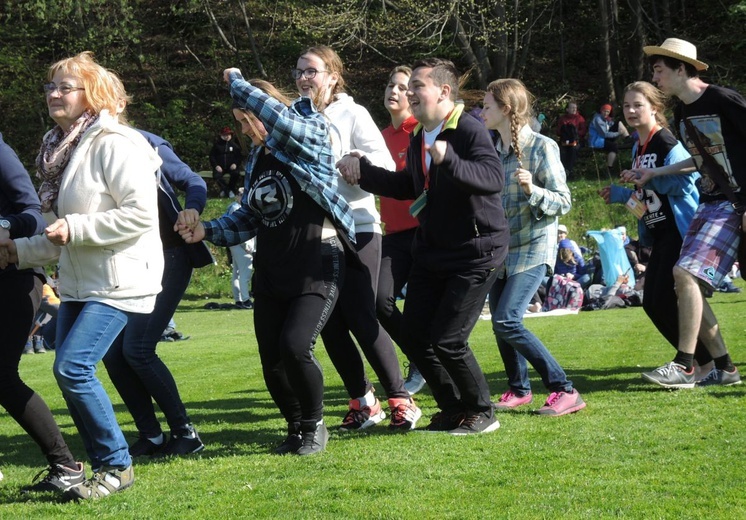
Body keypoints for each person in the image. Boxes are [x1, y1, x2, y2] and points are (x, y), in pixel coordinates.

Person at [0, 51, 164, 499]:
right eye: (51, 86)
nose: (54, 94)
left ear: (91, 94)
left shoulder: (114, 143)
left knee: (73, 367)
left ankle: (116, 468)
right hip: (78, 281)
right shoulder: (60, 149)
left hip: (119, 278)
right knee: (66, 369)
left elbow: (139, 216)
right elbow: (54, 232)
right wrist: (15, 251)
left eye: (64, 87)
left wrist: (76, 227)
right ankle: (91, 469)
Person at [177, 70, 355, 455]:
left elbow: (278, 118)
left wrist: (237, 83)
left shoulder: (310, 134)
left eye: (250, 118)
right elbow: (249, 217)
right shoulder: (258, 158)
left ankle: (315, 425)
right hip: (272, 268)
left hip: (316, 261)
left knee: (295, 346)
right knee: (272, 360)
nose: (249, 129)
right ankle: (295, 428)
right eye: (240, 123)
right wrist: (206, 230)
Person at [340, 58, 508, 434]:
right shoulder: (420, 136)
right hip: (433, 250)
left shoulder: (468, 128)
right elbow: (409, 186)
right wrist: (363, 171)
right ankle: (451, 409)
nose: (408, 93)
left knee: (448, 339)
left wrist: (450, 161)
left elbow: (492, 177)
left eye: (417, 86)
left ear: (443, 91)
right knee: (416, 336)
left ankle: (482, 412)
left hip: (476, 250)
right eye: (407, 87)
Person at [295, 46, 420, 431]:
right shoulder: (296, 117)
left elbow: (384, 167)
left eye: (311, 71)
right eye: (298, 71)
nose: (303, 77)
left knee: (363, 314)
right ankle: (363, 401)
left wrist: (355, 160)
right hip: (318, 231)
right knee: (328, 322)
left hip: (359, 226)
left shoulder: (353, 113)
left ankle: (402, 399)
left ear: (333, 76)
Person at [627, 37, 744, 387]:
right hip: (711, 203)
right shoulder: (683, 111)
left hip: (734, 202)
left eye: (659, 69)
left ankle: (686, 364)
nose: (655, 76)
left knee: (684, 275)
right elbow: (701, 159)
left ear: (681, 68)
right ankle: (723, 367)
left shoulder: (722, 99)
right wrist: (656, 173)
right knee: (684, 278)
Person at [102, 125, 213, 459]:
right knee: (112, 352)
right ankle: (150, 436)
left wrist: (191, 208)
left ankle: (185, 433)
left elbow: (194, 181)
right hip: (125, 261)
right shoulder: (81, 150)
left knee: (137, 348)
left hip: (169, 256)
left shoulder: (142, 141)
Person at [481, 78, 586, 416]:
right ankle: (519, 389)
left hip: (534, 247)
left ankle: (564, 388)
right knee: (500, 320)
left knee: (508, 320)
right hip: (502, 249)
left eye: (486, 106)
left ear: (506, 108)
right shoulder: (492, 152)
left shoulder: (542, 147)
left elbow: (564, 200)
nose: (480, 112)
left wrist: (533, 191)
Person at [599, 80, 712, 371]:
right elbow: (647, 193)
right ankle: (703, 362)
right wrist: (622, 193)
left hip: (678, 230)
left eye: (638, 105)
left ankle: (698, 362)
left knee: (657, 301)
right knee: (656, 302)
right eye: (627, 105)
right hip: (659, 232)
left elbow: (687, 183)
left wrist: (649, 176)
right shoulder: (639, 144)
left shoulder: (666, 141)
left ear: (654, 108)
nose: (631, 111)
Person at [0, 132, 85, 494]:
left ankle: (66, 465)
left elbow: (32, 214)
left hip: (13, 279)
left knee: (1, 377)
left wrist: (2, 227)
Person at [378, 65, 425, 395]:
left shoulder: (420, 131)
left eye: (402, 87)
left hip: (424, 233)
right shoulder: (379, 136)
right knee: (379, 301)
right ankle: (420, 358)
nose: (394, 91)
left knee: (424, 308)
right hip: (392, 235)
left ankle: (425, 366)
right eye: (390, 85)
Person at [225, 188, 255, 309]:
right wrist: (247, 245)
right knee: (245, 273)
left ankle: (238, 299)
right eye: (241, 194)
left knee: (237, 273)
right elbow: (241, 228)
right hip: (240, 243)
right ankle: (245, 300)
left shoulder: (232, 207)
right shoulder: (237, 208)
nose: (243, 196)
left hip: (233, 243)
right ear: (237, 196)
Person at [589, 103, 629, 175]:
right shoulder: (597, 119)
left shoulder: (606, 119)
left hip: (604, 139)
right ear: (601, 111)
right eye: (604, 111)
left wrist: (617, 129)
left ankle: (628, 138)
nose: (606, 113)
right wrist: (618, 133)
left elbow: (611, 126)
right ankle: (609, 168)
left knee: (618, 123)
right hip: (597, 141)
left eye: (608, 111)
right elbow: (604, 134)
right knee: (613, 146)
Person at [209, 126, 243, 198]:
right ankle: (227, 190)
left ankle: (230, 189)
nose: (226, 136)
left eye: (228, 135)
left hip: (231, 167)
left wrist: (235, 164)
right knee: (216, 176)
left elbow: (239, 157)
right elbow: (212, 156)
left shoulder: (235, 146)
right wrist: (216, 166)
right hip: (220, 167)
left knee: (236, 174)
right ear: (221, 135)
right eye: (224, 135)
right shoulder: (217, 145)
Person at [556, 102, 587, 179]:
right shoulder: (562, 119)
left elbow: (583, 131)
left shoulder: (580, 118)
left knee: (573, 150)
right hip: (564, 141)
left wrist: (574, 134)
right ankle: (562, 171)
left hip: (577, 141)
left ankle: (569, 171)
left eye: (575, 108)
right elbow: (558, 131)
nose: (574, 109)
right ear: (567, 109)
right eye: (572, 107)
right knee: (561, 151)